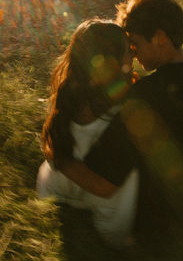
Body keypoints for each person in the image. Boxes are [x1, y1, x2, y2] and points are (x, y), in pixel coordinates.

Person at [83, 0, 183, 252]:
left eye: (135, 44)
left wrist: (61, 161)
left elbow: (104, 179)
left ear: (161, 37)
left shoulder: (145, 95)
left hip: (159, 235)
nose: (133, 53)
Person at [37, 19, 140, 248]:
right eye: (127, 51)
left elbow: (54, 143)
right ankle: (112, 239)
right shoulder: (126, 104)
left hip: (59, 185)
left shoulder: (68, 93)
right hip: (101, 191)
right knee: (130, 173)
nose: (132, 56)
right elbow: (107, 186)